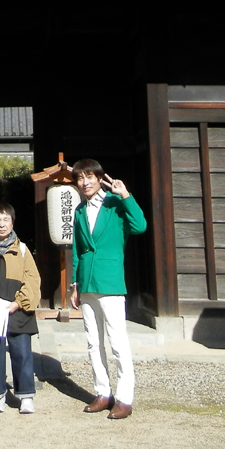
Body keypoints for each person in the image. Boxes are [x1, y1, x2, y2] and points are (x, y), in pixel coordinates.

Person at [70, 158, 147, 420]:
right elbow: (78, 250)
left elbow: (140, 226)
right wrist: (75, 284)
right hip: (87, 282)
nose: (85, 182)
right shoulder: (80, 210)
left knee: (117, 342)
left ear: (99, 178)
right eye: (80, 178)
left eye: (89, 177)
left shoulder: (115, 203)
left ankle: (125, 398)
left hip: (110, 281)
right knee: (93, 342)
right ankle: (103, 393)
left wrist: (125, 195)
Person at [0, 202, 41, 414]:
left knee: (22, 353)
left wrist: (19, 302)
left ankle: (25, 396)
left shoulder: (23, 250)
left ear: (12, 222)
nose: (2, 224)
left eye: (6, 219)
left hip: (18, 308)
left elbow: (32, 279)